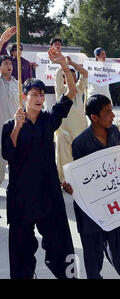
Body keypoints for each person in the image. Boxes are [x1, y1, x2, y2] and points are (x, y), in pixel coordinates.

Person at [1, 48, 76, 279]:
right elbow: (8, 154)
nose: (40, 98)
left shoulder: (48, 119)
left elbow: (72, 92)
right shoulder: (10, 124)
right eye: (34, 94)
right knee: (21, 252)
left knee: (60, 247)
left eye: (42, 94)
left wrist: (63, 65)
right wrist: (16, 127)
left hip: (48, 195)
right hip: (22, 197)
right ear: (24, 97)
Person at [63, 94, 120, 279]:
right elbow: (80, 177)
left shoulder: (114, 132)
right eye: (108, 112)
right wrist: (71, 187)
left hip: (117, 206)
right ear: (94, 118)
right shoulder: (80, 143)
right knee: (94, 261)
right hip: (91, 212)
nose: (113, 116)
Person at [54, 56, 89, 183]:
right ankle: (65, 182)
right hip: (64, 133)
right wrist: (63, 65)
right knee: (65, 161)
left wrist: (72, 63)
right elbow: (59, 75)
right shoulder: (61, 90)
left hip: (80, 132)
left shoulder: (79, 89)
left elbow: (85, 74)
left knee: (80, 160)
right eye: (68, 75)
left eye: (74, 75)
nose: (72, 77)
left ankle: (79, 181)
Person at [0, 54, 19, 185]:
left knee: (16, 156)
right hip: (0, 124)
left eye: (11, 64)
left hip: (14, 126)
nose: (9, 66)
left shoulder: (16, 83)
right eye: (6, 63)